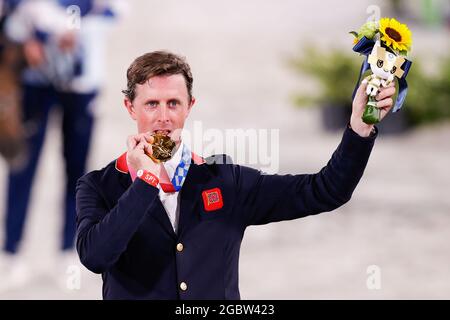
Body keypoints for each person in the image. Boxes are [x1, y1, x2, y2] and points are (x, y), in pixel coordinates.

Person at [75, 51, 396, 299]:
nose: (163, 117)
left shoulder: (225, 180)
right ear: (130, 107)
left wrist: (360, 126)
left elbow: (326, 190)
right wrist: (146, 180)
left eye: (173, 103)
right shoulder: (98, 185)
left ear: (189, 106)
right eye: (151, 104)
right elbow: (95, 256)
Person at [0, 0, 123, 289]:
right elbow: (12, 10)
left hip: (82, 82)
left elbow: (115, 10)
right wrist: (27, 38)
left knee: (76, 171)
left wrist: (73, 31)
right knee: (22, 166)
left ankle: (68, 253)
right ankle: (11, 254)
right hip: (35, 78)